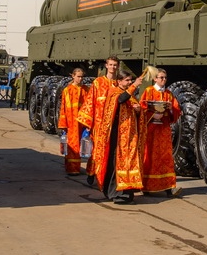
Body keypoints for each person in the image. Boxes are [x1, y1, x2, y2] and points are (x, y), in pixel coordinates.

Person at [83, 70, 145, 204]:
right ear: (119, 81)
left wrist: (138, 110)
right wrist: (134, 85)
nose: (129, 83)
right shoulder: (113, 92)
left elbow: (133, 109)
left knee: (128, 163)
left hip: (129, 137)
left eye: (130, 80)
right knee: (116, 163)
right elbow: (121, 100)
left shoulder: (130, 95)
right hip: (116, 136)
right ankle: (116, 192)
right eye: (127, 80)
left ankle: (127, 192)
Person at [77, 56, 121, 186]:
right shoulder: (98, 82)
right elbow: (90, 102)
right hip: (99, 123)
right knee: (97, 150)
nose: (113, 67)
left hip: (113, 123)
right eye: (111, 65)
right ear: (106, 66)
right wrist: (88, 123)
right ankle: (92, 172)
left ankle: (107, 175)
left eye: (115, 65)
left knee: (111, 150)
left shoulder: (118, 83)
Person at [140, 68, 182, 197]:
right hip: (151, 129)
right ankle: (147, 186)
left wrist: (170, 110)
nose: (163, 80)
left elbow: (176, 111)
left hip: (163, 130)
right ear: (155, 79)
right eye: (161, 77)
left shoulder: (169, 94)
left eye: (165, 77)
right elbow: (142, 108)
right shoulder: (148, 91)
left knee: (165, 157)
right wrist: (153, 114)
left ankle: (169, 186)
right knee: (150, 157)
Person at [57, 68, 89, 175]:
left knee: (83, 145)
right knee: (72, 145)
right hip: (71, 123)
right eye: (78, 76)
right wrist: (63, 124)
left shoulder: (86, 90)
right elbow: (63, 109)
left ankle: (79, 167)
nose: (80, 79)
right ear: (73, 76)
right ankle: (72, 168)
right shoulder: (67, 91)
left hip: (83, 122)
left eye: (82, 77)